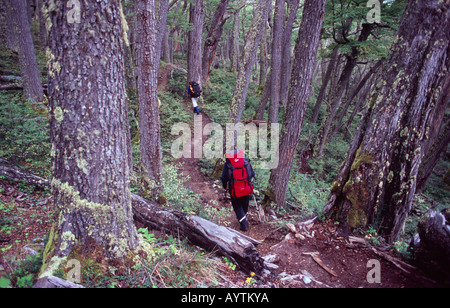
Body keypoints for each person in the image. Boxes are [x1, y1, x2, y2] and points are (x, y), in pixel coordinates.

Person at [221, 148, 255, 231]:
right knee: (244, 204)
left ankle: (244, 225)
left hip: (234, 190)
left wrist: (225, 186)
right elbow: (252, 174)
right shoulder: (246, 163)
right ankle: (243, 217)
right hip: (246, 188)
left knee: (237, 206)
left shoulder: (228, 165)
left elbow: (224, 177)